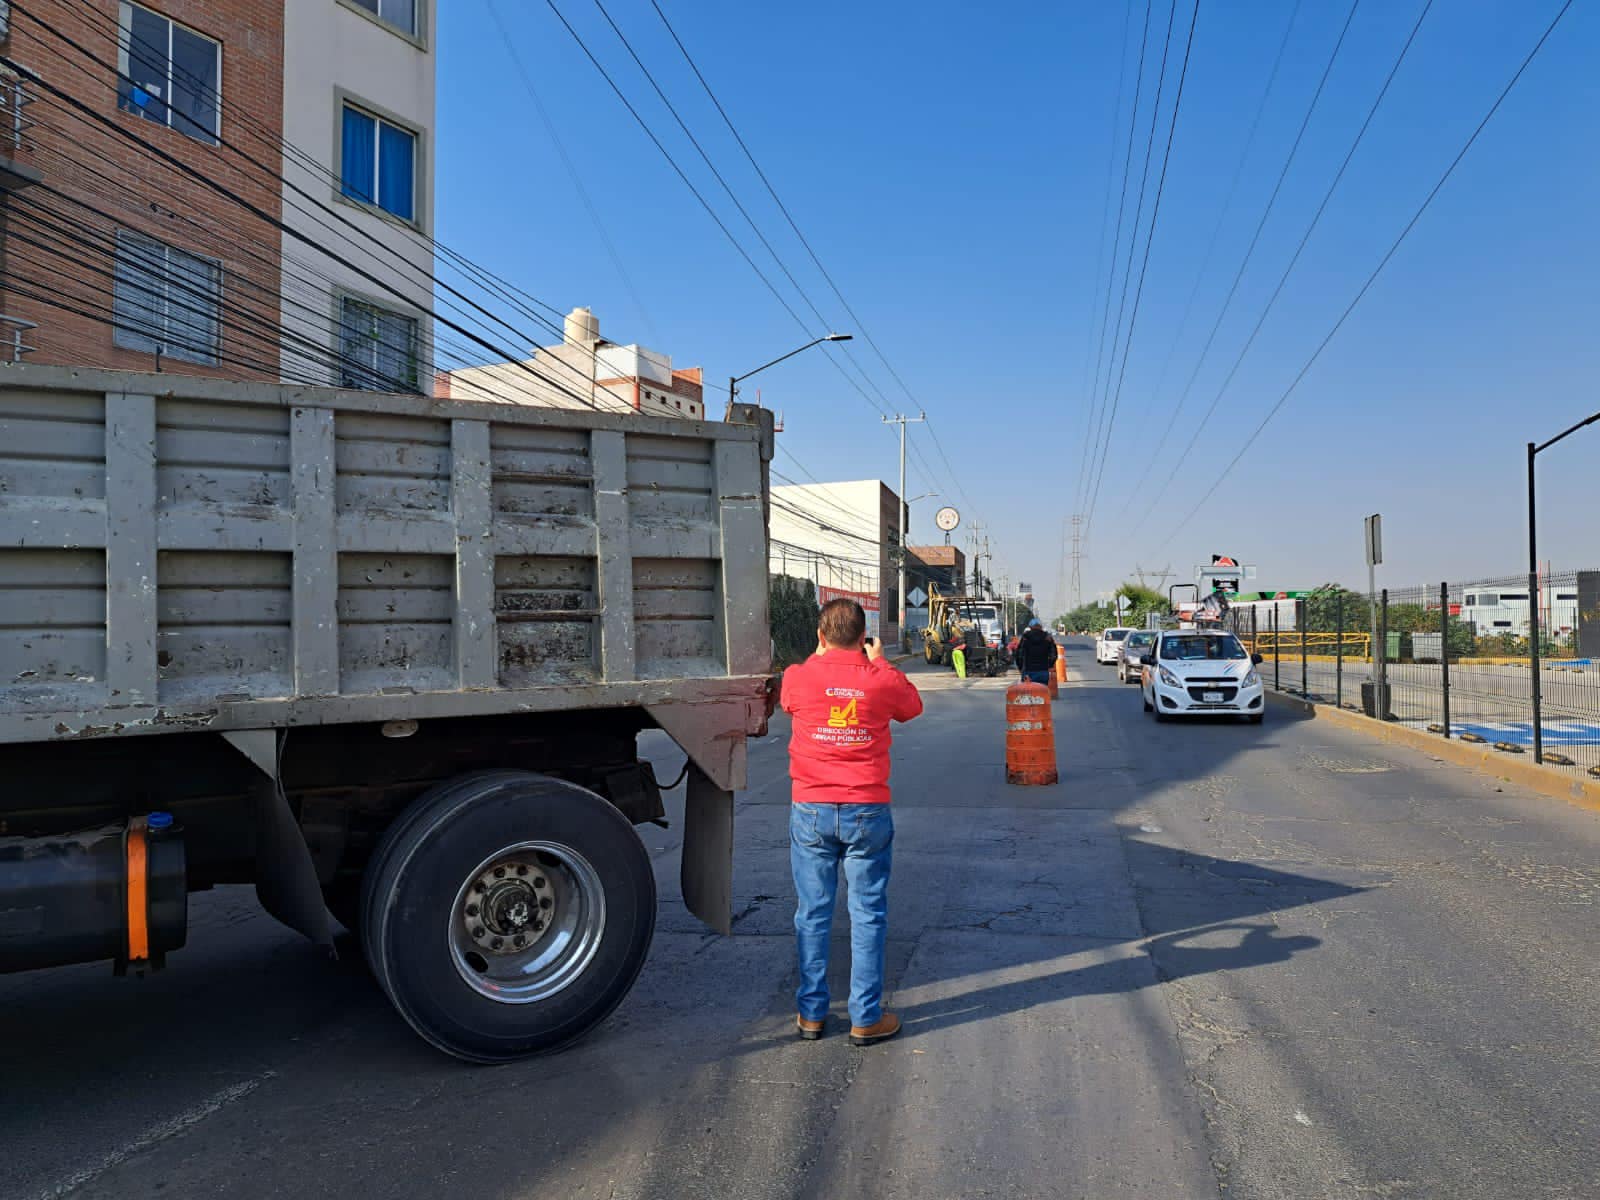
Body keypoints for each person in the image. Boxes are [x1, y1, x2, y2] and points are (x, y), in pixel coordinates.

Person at [780, 597, 923, 1046]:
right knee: (868, 914)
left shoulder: (799, 677)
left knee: (813, 914)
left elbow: (789, 697)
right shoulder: (880, 679)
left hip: (811, 811)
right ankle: (865, 1017)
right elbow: (912, 706)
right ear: (864, 638)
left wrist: (819, 656)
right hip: (866, 810)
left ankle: (811, 1015)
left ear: (820, 637)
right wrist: (878, 663)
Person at [1014, 618, 1058, 686]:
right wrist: (1050, 665)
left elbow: (1019, 654)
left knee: (1028, 694)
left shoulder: (1025, 637)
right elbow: (1053, 654)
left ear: (1030, 627)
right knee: (1042, 693)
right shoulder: (1047, 637)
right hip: (1043, 671)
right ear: (1041, 627)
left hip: (1028, 671)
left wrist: (1020, 667)